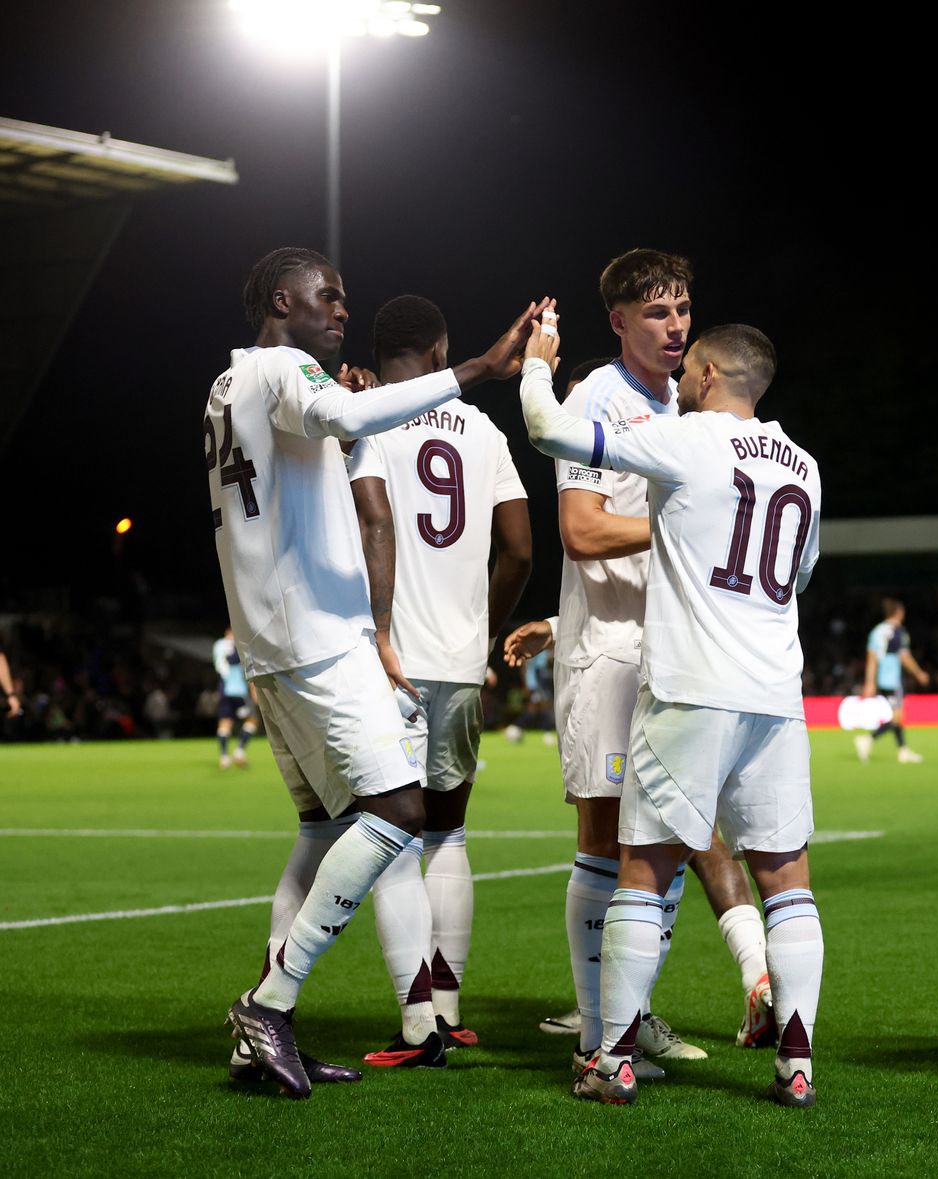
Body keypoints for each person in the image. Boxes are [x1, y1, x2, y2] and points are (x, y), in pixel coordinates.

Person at [210, 245, 537, 1098]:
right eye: (328, 295)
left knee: (322, 828)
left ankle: (265, 1033)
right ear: (283, 298)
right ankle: (269, 1003)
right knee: (399, 810)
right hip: (320, 640)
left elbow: (320, 446)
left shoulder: (228, 384)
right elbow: (347, 436)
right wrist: (475, 369)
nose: (342, 309)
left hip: (269, 643)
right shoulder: (284, 369)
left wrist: (347, 399)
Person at [520, 316, 822, 1108]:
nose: (682, 377)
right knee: (787, 880)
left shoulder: (687, 439)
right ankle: (796, 1064)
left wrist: (535, 369)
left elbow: (551, 431)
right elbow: (798, 570)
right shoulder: (805, 466)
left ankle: (610, 1056)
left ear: (713, 372)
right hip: (777, 696)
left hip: (691, 685)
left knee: (643, 870)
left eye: (692, 367)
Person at [344, 294, 533, 1067]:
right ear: (440, 351)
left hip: (384, 657)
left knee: (389, 836)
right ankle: (449, 1006)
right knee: (449, 831)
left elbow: (360, 524)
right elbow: (520, 548)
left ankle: (418, 1024)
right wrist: (479, 634)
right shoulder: (483, 431)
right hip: (458, 663)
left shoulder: (362, 415)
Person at [855, 598, 930, 763]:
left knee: (897, 716)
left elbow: (872, 658)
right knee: (897, 717)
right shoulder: (898, 631)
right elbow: (905, 657)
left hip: (882, 678)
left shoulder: (876, 631)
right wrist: (919, 674)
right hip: (893, 679)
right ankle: (867, 739)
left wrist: (870, 682)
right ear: (899, 613)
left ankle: (902, 750)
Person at [213, 626, 259, 768]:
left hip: (224, 692)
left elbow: (219, 666)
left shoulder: (218, 645)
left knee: (225, 724)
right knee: (252, 720)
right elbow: (248, 670)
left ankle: (224, 757)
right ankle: (239, 751)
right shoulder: (240, 646)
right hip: (239, 692)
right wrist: (254, 692)